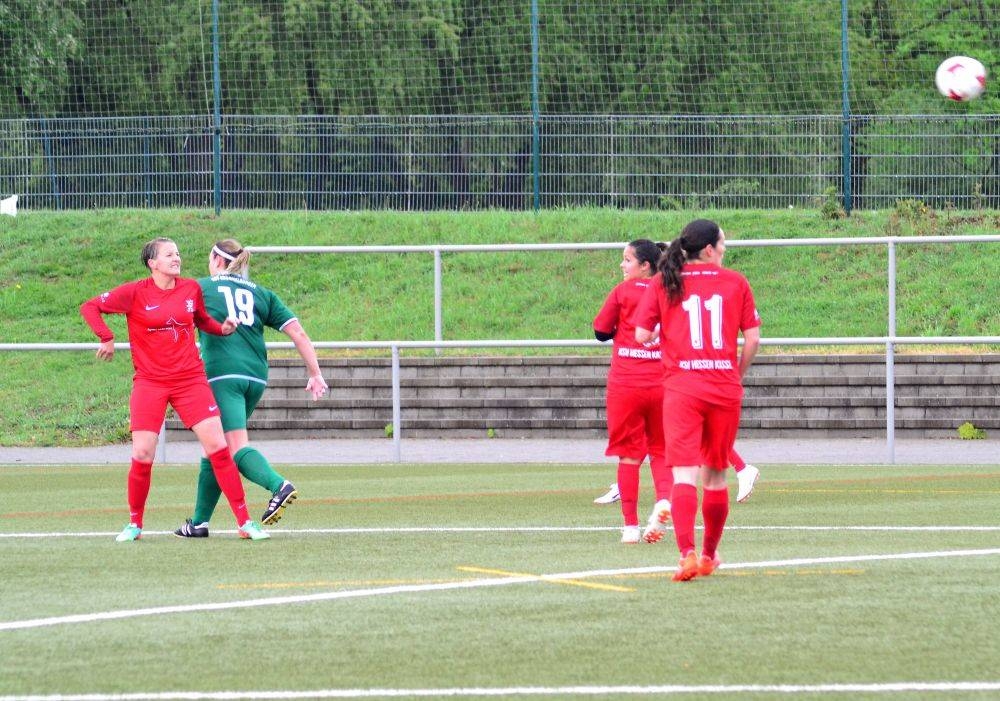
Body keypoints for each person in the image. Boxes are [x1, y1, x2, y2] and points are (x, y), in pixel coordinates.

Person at [80, 237, 269, 542]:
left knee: (218, 448)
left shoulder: (190, 288)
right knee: (142, 452)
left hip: (190, 380)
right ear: (152, 263)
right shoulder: (134, 292)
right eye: (169, 254)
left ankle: (245, 523)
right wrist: (106, 337)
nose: (176, 258)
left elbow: (201, 320)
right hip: (150, 382)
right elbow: (90, 307)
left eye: (178, 253)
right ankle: (134, 524)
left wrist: (221, 329)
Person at [174, 239, 329, 538]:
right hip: (256, 377)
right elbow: (298, 332)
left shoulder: (200, 288)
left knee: (233, 447)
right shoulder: (261, 292)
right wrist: (315, 373)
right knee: (214, 447)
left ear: (216, 260)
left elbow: (172, 321)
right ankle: (199, 523)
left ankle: (278, 485)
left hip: (222, 375)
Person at [633, 219, 761, 581]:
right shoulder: (736, 282)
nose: (724, 252)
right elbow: (752, 340)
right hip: (723, 388)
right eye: (722, 246)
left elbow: (641, 334)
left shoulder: (663, 281)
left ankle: (686, 554)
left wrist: (666, 333)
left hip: (682, 389)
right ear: (708, 250)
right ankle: (708, 556)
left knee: (684, 475)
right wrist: (736, 375)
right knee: (716, 475)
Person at [593, 239, 673, 544]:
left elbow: (600, 331)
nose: (622, 265)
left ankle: (630, 527)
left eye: (627, 260)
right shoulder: (670, 291)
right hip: (661, 383)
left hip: (626, 384)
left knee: (628, 455)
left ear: (645, 266)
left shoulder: (622, 291)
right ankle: (663, 500)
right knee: (661, 451)